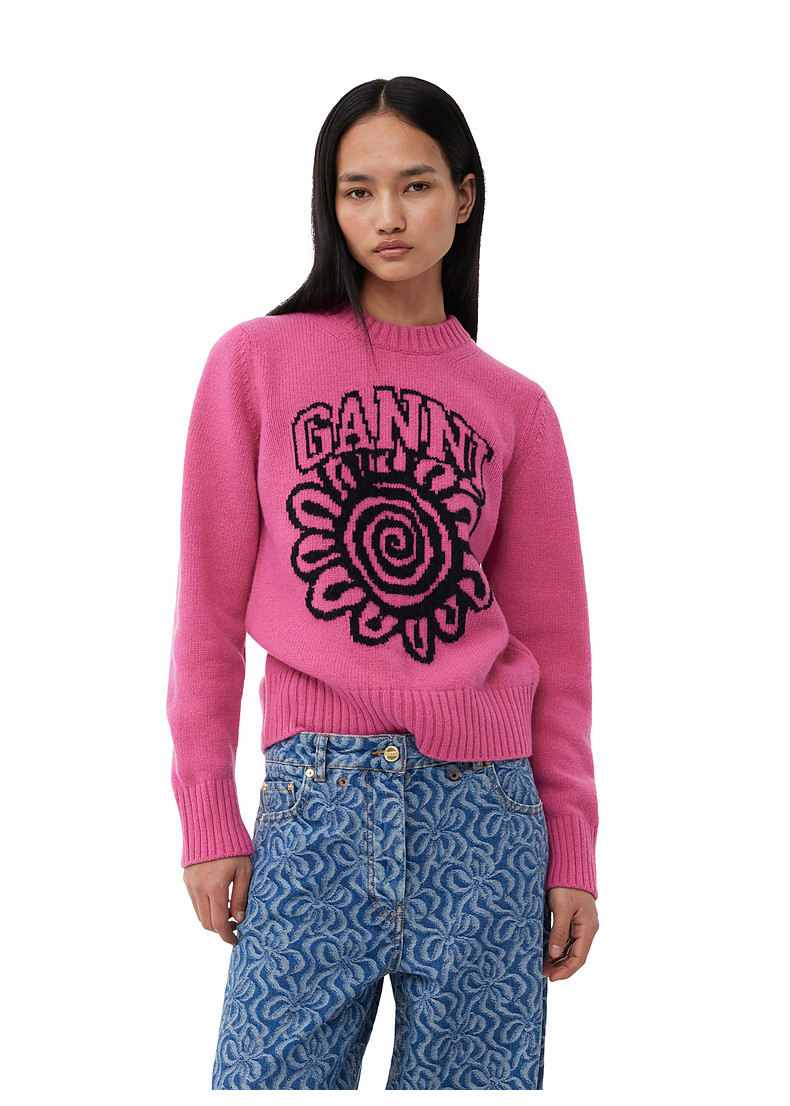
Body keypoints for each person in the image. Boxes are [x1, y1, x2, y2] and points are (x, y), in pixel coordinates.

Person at [166, 75, 600, 1091]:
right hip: (316, 805)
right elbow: (207, 610)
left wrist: (573, 843)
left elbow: (557, 648)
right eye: (357, 191)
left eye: (415, 185)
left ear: (465, 196)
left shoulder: (515, 407)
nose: (387, 216)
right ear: (330, 205)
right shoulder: (255, 362)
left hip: (489, 818)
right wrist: (207, 810)